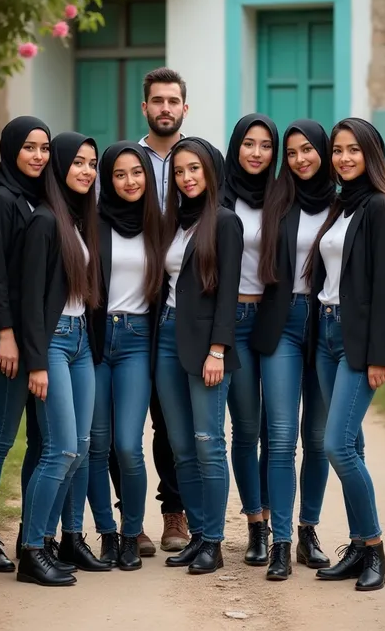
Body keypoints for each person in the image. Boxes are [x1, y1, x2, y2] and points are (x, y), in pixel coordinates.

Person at [305, 118, 385, 592]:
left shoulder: (380, 207)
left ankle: (377, 552)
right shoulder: (341, 207)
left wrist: (379, 354)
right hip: (326, 333)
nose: (343, 158)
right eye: (338, 151)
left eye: (353, 151)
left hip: (356, 340)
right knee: (353, 446)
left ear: (371, 155)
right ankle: (359, 546)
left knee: (336, 445)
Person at [17, 132, 109, 586]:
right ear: (59, 168)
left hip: (79, 344)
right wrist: (35, 360)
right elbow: (30, 298)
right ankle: (32, 549)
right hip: (51, 344)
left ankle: (60, 540)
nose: (88, 171)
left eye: (92, 164)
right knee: (61, 449)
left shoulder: (77, 219)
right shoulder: (44, 221)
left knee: (84, 448)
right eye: (78, 162)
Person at [107, 67, 190, 555]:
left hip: (177, 305)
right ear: (145, 107)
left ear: (185, 107)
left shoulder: (198, 160)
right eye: (156, 100)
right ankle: (128, 516)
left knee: (168, 416)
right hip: (131, 303)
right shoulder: (127, 161)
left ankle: (173, 509)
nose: (164, 107)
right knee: (122, 422)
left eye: (172, 100)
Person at [251, 120, 335, 581]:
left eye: (309, 150)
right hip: (282, 323)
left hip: (325, 325)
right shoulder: (276, 201)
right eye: (293, 152)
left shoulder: (345, 205)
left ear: (321, 151)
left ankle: (308, 531)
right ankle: (279, 541)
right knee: (281, 437)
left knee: (318, 438)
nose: (301, 159)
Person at [155, 137, 243, 575]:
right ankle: (197, 536)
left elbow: (229, 295)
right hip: (166, 339)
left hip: (207, 345)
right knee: (181, 447)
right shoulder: (171, 222)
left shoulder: (225, 222)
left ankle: (214, 541)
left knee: (209, 444)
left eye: (194, 169)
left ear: (210, 171)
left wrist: (217, 351)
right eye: (179, 171)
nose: (186, 178)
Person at [0, 116, 50, 573]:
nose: (38, 155)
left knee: (40, 440)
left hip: (37, 340)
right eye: (29, 148)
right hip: (9, 341)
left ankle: (30, 537)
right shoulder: (1, 201)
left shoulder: (37, 199)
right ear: (11, 150)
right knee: (0, 438)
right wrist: (5, 335)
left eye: (43, 147)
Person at [87, 142, 163, 571]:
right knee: (96, 446)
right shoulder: (92, 223)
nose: (130, 181)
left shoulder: (160, 225)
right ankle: (106, 534)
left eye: (137, 173)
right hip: (98, 340)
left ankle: (132, 532)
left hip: (137, 341)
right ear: (107, 180)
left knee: (127, 445)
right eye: (119, 174)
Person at [223, 113, 278, 566]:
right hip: (233, 320)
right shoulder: (219, 196)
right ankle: (256, 524)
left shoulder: (284, 197)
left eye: (265, 145)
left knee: (277, 432)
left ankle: (284, 527)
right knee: (245, 427)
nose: (257, 153)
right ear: (236, 146)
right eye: (249, 143)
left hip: (273, 320)